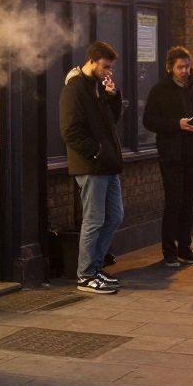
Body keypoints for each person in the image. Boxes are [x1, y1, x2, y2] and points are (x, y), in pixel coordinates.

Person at [60, 41, 125, 295]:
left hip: (107, 164)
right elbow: (69, 130)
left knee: (115, 215)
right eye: (105, 67)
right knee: (94, 219)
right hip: (90, 165)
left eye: (110, 68)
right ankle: (85, 275)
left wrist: (112, 95)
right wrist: (96, 151)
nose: (108, 72)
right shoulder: (75, 89)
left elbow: (111, 121)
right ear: (92, 61)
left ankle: (95, 267)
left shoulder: (98, 86)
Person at [143, 46, 193, 268]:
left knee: (188, 203)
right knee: (173, 202)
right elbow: (149, 120)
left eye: (187, 66)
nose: (184, 71)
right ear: (170, 67)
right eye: (180, 67)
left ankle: (185, 248)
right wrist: (177, 124)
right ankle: (168, 251)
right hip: (171, 156)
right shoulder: (160, 91)